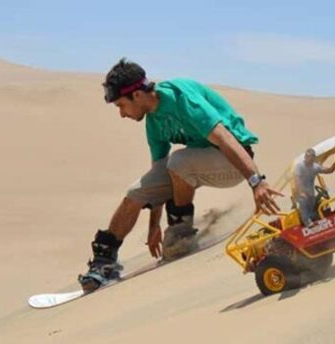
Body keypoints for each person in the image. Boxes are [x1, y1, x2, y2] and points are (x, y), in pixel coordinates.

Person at [79, 58, 282, 291]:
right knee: (136, 192)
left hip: (233, 161)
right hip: (194, 163)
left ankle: (181, 231)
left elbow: (225, 138)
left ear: (136, 95)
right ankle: (104, 263)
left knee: (179, 161)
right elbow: (158, 176)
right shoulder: (153, 122)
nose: (121, 114)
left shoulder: (182, 98)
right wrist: (153, 225)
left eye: (120, 106)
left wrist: (257, 182)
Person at [292, 149, 335, 227]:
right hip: (299, 193)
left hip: (310, 194)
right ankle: (307, 222)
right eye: (308, 156)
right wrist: (301, 192)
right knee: (303, 200)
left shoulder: (315, 167)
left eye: (312, 157)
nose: (310, 158)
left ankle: (318, 219)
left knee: (319, 202)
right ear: (305, 156)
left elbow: (329, 170)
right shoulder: (299, 166)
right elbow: (297, 180)